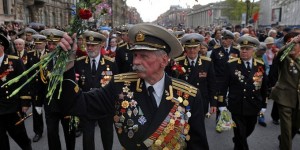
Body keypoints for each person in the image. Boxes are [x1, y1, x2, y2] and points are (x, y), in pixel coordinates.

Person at [60, 23, 209, 149]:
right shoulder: (119, 86)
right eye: (135, 55)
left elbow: (198, 145)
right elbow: (78, 105)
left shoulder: (188, 95)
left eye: (143, 56)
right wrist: (67, 66)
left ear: (164, 60)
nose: (136, 62)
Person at [219, 35, 268, 150]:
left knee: (249, 129)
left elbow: (264, 87)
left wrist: (264, 105)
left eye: (247, 49)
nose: (244, 51)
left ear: (253, 50)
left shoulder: (260, 65)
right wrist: (221, 104)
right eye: (242, 48)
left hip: (253, 104)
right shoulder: (231, 64)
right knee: (240, 132)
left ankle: (237, 142)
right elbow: (223, 85)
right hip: (237, 105)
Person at [75, 30, 118, 150]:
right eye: (88, 45)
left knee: (107, 135)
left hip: (105, 106)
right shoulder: (79, 63)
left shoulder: (111, 63)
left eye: (93, 45)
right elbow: (76, 85)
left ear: (101, 45)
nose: (90, 48)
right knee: (87, 138)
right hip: (87, 106)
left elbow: (116, 85)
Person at [40, 28, 76, 150]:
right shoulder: (44, 59)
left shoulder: (69, 59)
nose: (50, 47)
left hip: (66, 104)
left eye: (54, 44)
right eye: (49, 43)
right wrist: (37, 103)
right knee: (52, 134)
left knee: (69, 134)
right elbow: (40, 83)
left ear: (61, 44)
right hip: (50, 104)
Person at [0, 33, 32, 150]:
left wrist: (25, 102)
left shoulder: (14, 61)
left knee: (20, 137)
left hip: (12, 107)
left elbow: (23, 81)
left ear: (2, 47)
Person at [173, 33, 217, 117]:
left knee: (199, 128)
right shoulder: (178, 62)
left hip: (201, 100)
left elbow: (212, 84)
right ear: (185, 48)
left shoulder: (207, 62)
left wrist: (213, 103)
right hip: (183, 101)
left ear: (199, 47)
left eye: (194, 47)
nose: (192, 50)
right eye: (189, 48)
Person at [269, 34, 300, 150]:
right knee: (286, 128)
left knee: (295, 127)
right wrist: (293, 41)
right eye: (289, 45)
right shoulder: (285, 59)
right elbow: (281, 54)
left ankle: (283, 139)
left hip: (298, 99)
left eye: (294, 45)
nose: (291, 48)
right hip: (285, 97)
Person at [210, 30, 240, 125]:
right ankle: (220, 121)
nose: (223, 41)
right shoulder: (216, 51)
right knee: (220, 100)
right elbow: (212, 66)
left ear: (231, 40)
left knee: (232, 100)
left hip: (233, 81)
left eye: (226, 39)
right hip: (220, 80)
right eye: (223, 38)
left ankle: (233, 119)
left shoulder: (236, 51)